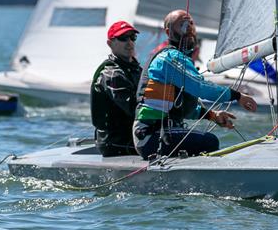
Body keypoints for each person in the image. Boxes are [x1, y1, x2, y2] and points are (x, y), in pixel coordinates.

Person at [132, 9, 258, 160]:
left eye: (191, 23)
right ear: (168, 32)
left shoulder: (180, 58)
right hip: (151, 136)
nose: (189, 27)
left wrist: (212, 116)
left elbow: (185, 108)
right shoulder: (168, 58)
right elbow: (200, 88)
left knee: (204, 140)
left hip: (160, 134)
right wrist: (236, 96)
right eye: (182, 24)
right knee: (209, 141)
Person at [90, 20, 143, 157]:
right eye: (123, 38)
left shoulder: (138, 70)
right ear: (110, 43)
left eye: (133, 37)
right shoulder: (111, 74)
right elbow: (134, 108)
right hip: (116, 144)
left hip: (135, 137)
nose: (129, 42)